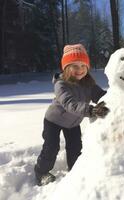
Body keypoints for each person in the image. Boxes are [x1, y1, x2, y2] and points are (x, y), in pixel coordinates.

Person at [34, 44, 109, 186]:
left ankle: (75, 170)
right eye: (74, 66)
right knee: (51, 147)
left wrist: (114, 97)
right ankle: (41, 172)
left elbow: (100, 95)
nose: (79, 70)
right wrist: (91, 110)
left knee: (75, 147)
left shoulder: (89, 84)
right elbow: (70, 103)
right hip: (54, 120)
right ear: (66, 67)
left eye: (83, 66)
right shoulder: (61, 84)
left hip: (73, 122)